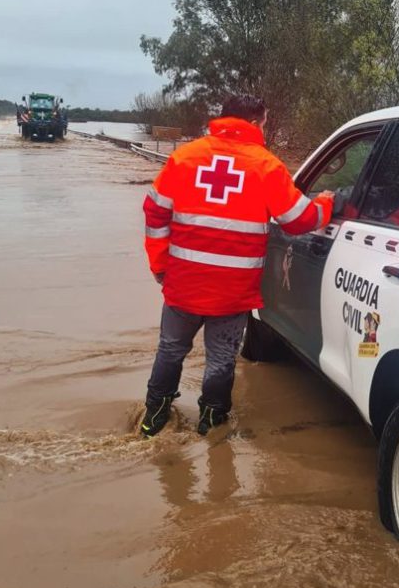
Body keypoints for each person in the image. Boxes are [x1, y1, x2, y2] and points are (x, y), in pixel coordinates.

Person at [140, 94, 334, 437]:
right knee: (220, 359)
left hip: (182, 283)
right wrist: (326, 205)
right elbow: (297, 220)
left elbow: (155, 213)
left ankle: (154, 417)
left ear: (222, 118)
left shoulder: (184, 157)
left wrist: (160, 266)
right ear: (257, 122)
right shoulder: (266, 166)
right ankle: (212, 424)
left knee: (170, 350)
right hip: (232, 291)